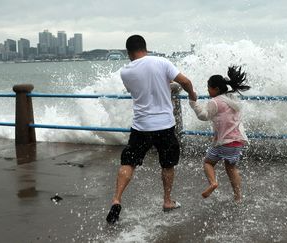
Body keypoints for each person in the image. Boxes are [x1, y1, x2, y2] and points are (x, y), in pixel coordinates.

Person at [106, 35, 197, 224]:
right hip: (164, 125)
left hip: (141, 126)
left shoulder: (125, 72)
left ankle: (116, 199)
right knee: (167, 164)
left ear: (129, 52)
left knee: (128, 162)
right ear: (145, 47)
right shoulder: (161, 62)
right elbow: (186, 82)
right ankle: (167, 201)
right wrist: (192, 94)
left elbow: (141, 90)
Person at [189, 66, 250, 202]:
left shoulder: (214, 102)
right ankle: (238, 196)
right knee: (231, 168)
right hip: (237, 142)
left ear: (216, 89)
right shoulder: (233, 99)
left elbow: (204, 116)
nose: (207, 90)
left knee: (208, 163)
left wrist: (193, 103)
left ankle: (213, 183)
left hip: (223, 142)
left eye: (208, 87)